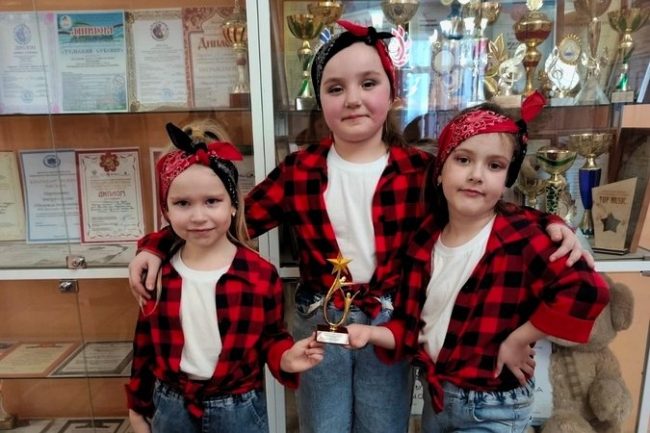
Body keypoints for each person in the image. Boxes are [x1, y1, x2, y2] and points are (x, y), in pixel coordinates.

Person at [128, 21, 590, 433]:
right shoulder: (299, 170)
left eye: (368, 83)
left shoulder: (421, 170)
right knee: (323, 423)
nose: (353, 99)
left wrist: (552, 224)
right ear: (320, 99)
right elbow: (229, 218)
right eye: (336, 88)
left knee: (382, 421)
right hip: (318, 317)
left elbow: (479, 206)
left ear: (391, 93)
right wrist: (156, 244)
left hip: (391, 318)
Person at [345, 92, 610, 433]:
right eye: (463, 160)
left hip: (496, 407)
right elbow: (410, 329)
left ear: (507, 178)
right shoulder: (424, 242)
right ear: (440, 171)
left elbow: (587, 290)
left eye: (494, 165)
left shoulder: (524, 235)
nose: (476, 175)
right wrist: (369, 333)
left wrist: (520, 337)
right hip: (439, 400)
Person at [126, 123, 324, 433]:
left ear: (233, 205)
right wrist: (137, 407)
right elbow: (144, 346)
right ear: (166, 210)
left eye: (212, 201)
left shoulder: (259, 275)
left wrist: (285, 358)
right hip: (172, 405)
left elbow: (271, 336)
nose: (198, 216)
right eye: (182, 203)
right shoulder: (158, 272)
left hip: (238, 409)